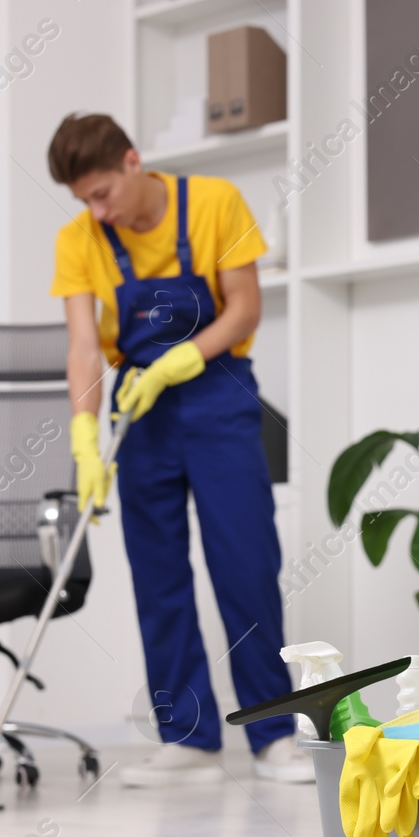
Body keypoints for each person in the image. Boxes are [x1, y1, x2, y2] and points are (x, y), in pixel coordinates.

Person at [46, 113, 307, 787]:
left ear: (133, 161)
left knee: (244, 565)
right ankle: (188, 738)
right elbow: (82, 344)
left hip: (217, 398)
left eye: (102, 191)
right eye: (83, 200)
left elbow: (244, 309)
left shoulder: (215, 202)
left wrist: (179, 360)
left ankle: (274, 733)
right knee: (158, 578)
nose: (96, 210)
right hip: (142, 415)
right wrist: (83, 438)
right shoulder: (79, 240)